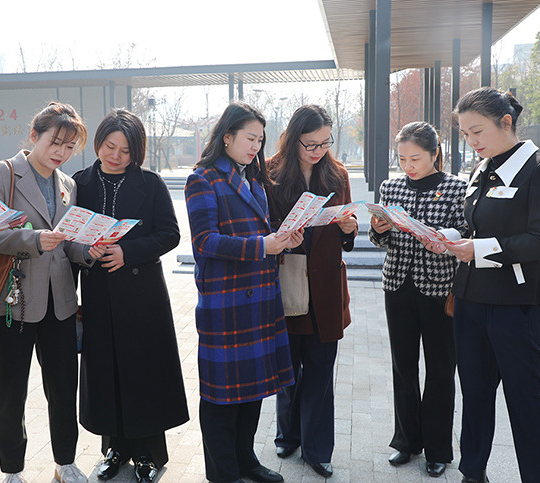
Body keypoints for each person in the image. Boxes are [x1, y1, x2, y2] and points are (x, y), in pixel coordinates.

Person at [442, 87, 540, 483]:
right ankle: (472, 472)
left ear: (506, 122)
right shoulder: (481, 169)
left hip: (515, 303)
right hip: (470, 298)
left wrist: (478, 249)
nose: (471, 141)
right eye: (465, 134)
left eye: (477, 131)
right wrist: (450, 238)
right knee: (475, 394)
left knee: (524, 399)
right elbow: (479, 226)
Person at [185, 102, 303, 483]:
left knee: (252, 391)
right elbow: (204, 241)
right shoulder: (203, 179)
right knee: (221, 396)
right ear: (227, 137)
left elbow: (259, 232)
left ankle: (245, 460)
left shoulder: (252, 178)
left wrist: (282, 240)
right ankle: (223, 473)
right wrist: (262, 245)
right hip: (226, 302)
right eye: (250, 138)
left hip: (259, 298)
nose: (256, 147)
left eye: (260, 140)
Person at [72, 109, 189, 483]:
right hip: (99, 294)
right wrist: (85, 251)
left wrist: (129, 251)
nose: (115, 156)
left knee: (143, 374)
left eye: (125, 151)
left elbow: (170, 234)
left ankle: (147, 454)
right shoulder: (79, 183)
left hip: (142, 297)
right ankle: (114, 449)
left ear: (136, 152)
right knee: (107, 374)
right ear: (99, 143)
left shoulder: (150, 183)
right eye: (110, 146)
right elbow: (68, 236)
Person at [0, 102, 90, 483]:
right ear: (34, 135)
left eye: (69, 146)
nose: (61, 152)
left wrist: (90, 250)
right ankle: (12, 470)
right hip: (14, 302)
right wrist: (35, 240)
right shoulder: (1, 173)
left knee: (63, 389)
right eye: (55, 142)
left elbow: (67, 242)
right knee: (11, 393)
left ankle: (65, 462)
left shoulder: (68, 184)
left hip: (60, 303)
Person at [368, 121, 468, 478]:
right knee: (403, 365)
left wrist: (444, 237)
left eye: (415, 158)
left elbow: (467, 230)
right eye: (402, 159)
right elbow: (379, 240)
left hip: (439, 287)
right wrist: (379, 229)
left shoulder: (456, 187)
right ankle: (406, 441)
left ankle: (438, 449)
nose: (408, 166)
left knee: (440, 369)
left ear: (434, 154)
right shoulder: (391, 186)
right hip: (398, 285)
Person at [266, 105, 357, 478]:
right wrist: (283, 233)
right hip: (287, 282)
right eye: (310, 144)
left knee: (320, 371)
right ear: (293, 140)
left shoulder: (337, 174)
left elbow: (346, 229)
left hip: (325, 287)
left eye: (325, 143)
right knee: (287, 368)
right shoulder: (269, 173)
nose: (318, 151)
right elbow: (262, 226)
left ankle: (317, 449)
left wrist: (349, 228)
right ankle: (288, 434)